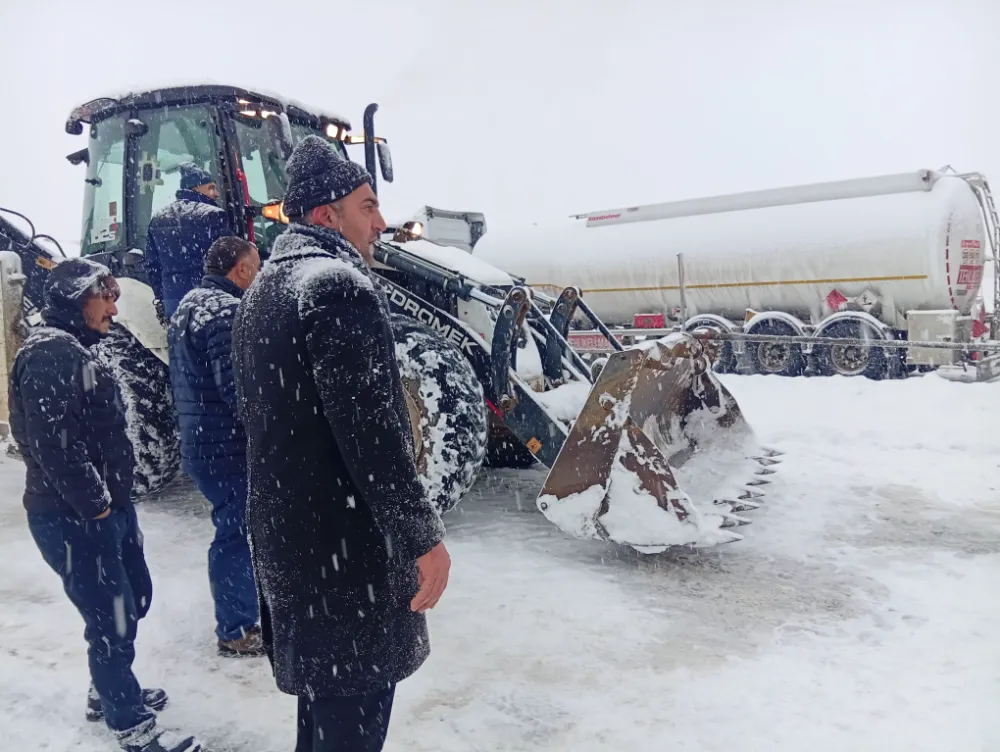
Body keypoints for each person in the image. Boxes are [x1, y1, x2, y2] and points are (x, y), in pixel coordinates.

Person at [231, 135, 452, 752]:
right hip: (344, 557)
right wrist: (423, 538)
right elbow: (373, 437)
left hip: (293, 546)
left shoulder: (264, 291)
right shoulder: (337, 287)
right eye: (367, 206)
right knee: (352, 723)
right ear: (327, 215)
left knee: (324, 717)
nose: (380, 223)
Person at [9, 258, 204, 752]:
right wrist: (96, 506)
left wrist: (113, 505)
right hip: (71, 516)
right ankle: (130, 724)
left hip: (103, 509)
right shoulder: (50, 354)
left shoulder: (75, 348)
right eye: (107, 297)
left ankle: (109, 689)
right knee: (109, 617)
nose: (115, 309)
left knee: (131, 598)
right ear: (77, 300)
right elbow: (55, 448)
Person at [167, 236, 265, 657]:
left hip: (202, 442)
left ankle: (244, 614)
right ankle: (236, 628)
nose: (259, 276)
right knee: (238, 534)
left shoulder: (187, 307)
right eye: (256, 267)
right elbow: (239, 390)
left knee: (237, 530)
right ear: (241, 269)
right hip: (227, 446)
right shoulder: (226, 312)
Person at [146, 162, 232, 323]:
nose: (216, 194)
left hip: (174, 306)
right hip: (210, 304)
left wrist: (164, 298)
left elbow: (153, 268)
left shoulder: (157, 219)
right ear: (196, 188)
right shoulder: (213, 215)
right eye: (211, 188)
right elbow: (229, 262)